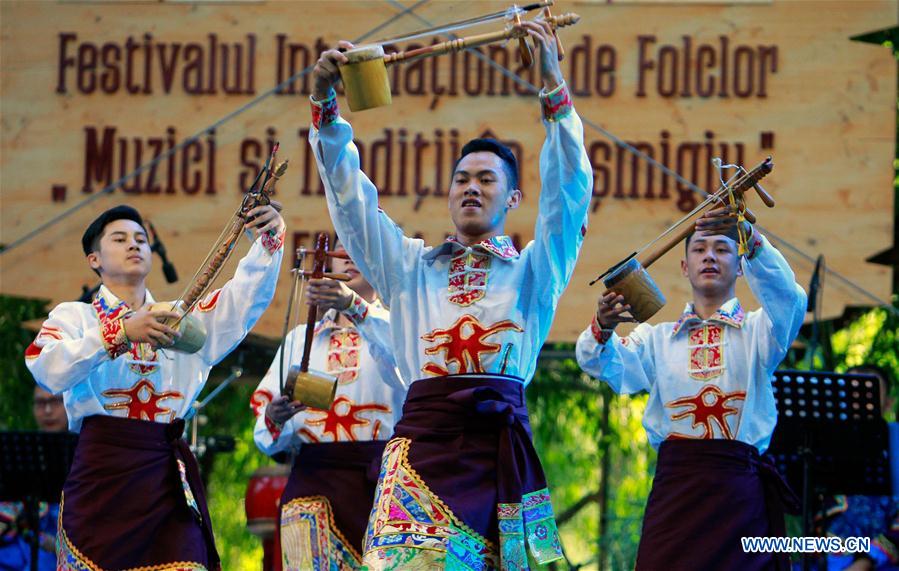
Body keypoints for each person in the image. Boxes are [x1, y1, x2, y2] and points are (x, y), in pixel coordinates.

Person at [307, 19, 592, 569]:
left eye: (487, 180)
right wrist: (325, 105)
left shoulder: (536, 270)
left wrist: (553, 84)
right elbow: (351, 203)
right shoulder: (410, 268)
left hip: (497, 456)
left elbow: (570, 193)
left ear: (512, 198)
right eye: (462, 178)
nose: (471, 187)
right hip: (421, 452)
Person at [25, 204, 284, 570]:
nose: (134, 245)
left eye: (141, 239)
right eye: (120, 238)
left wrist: (268, 239)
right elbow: (45, 366)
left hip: (165, 480)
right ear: (93, 259)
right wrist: (121, 333)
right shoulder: (75, 317)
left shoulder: (181, 320)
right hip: (102, 478)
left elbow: (241, 302)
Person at [576, 207, 807, 570]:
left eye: (723, 248)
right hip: (677, 492)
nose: (710, 256)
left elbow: (791, 301)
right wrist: (603, 327)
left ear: (742, 265)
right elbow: (603, 365)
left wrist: (750, 236)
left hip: (739, 492)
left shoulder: (760, 332)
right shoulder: (656, 338)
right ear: (684, 267)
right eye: (699, 249)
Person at [251, 245, 406, 568]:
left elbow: (411, 378)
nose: (349, 255)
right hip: (314, 482)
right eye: (339, 249)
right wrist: (275, 417)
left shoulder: (401, 329)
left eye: (358, 246)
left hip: (385, 485)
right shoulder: (300, 338)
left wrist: (355, 307)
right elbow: (267, 424)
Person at [814, 365, 899, 571]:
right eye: (849, 394)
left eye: (867, 395)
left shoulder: (895, 442)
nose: (857, 402)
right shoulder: (819, 445)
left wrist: (865, 562)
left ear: (888, 404)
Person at [0, 386, 69, 571]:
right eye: (40, 403)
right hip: (15, 549)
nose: (47, 410)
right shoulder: (20, 453)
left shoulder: (84, 454)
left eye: (55, 402)